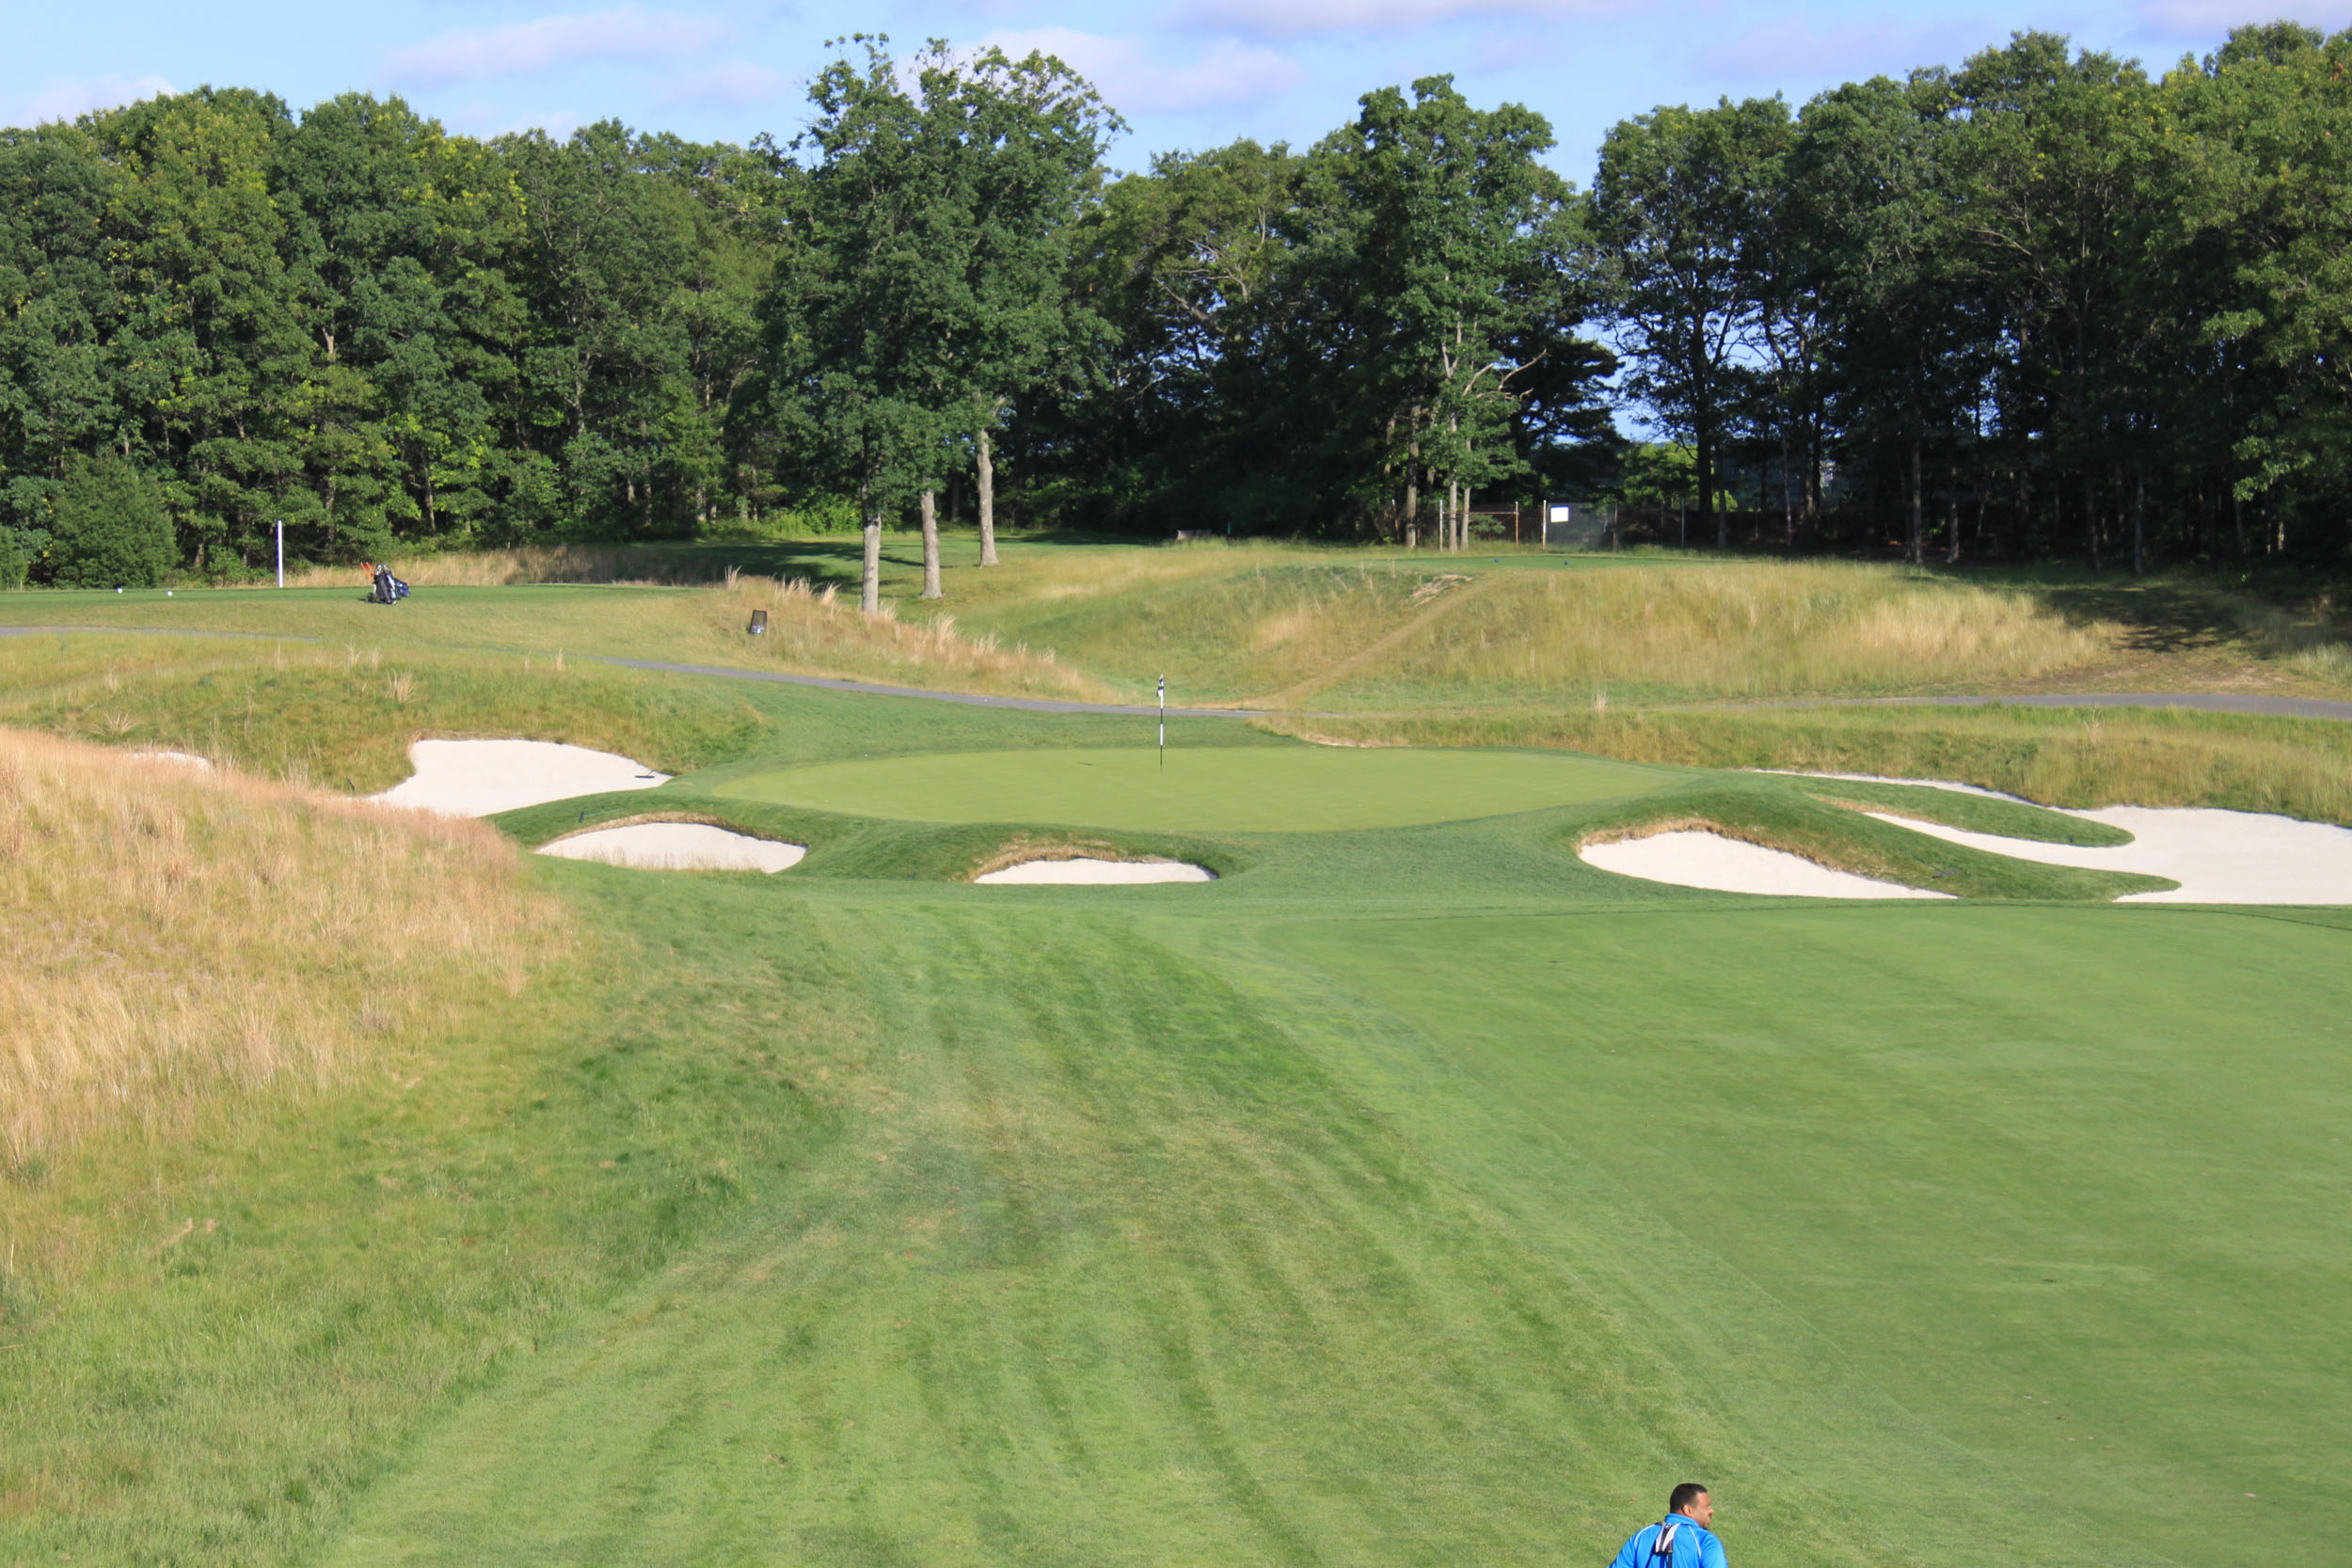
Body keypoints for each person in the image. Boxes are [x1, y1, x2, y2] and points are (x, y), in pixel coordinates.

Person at [1609, 1483, 1725, 1568]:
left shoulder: (1641, 1536)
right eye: (1707, 1506)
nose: (1711, 1511)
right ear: (1688, 1510)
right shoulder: (1705, 1541)